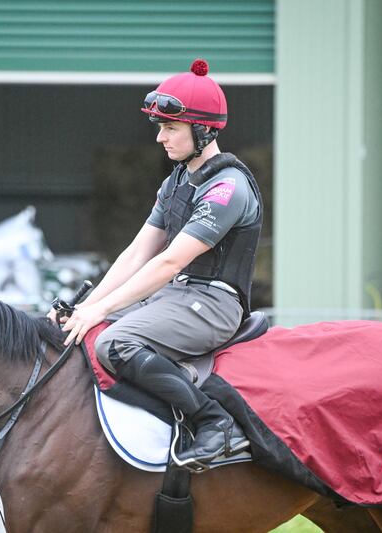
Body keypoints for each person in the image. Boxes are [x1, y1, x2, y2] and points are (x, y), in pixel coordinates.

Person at [54, 58, 263, 470]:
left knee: (115, 342)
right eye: (160, 128)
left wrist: (103, 308)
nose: (160, 138)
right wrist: (89, 305)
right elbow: (136, 253)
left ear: (202, 130)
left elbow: (170, 261)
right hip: (178, 296)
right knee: (89, 326)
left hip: (215, 305)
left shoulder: (227, 188)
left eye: (171, 128)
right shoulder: (175, 182)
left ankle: (213, 422)